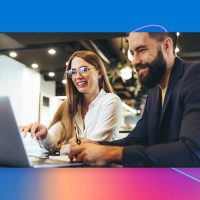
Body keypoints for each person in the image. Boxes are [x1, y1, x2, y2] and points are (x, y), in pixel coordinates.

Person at [69, 32, 200, 167]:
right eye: (132, 53)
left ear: (166, 45)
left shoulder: (195, 75)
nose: (135, 61)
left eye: (141, 50)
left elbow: (193, 151)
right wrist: (95, 145)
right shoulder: (154, 93)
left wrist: (112, 154)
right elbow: (136, 140)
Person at [21, 50, 122, 153]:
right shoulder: (70, 107)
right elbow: (51, 143)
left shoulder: (111, 101)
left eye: (84, 69)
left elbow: (92, 146)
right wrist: (44, 134)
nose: (77, 76)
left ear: (99, 73)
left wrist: (59, 148)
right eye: (73, 72)